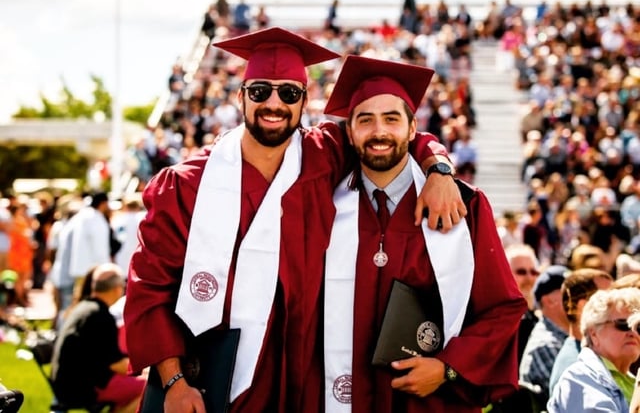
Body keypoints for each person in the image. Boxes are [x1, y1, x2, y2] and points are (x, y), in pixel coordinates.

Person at [124, 27, 467, 413]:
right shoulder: (187, 186)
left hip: (297, 379)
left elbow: (387, 136)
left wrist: (437, 168)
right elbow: (148, 291)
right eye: (259, 92)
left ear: (304, 101)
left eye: (288, 93)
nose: (274, 104)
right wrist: (174, 382)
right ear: (240, 97)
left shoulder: (322, 158)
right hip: (204, 385)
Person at [322, 54, 527, 412]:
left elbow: (502, 308)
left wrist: (449, 368)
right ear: (350, 133)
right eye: (365, 120)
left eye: (391, 119)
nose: (379, 131)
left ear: (413, 129)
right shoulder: (325, 206)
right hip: (342, 397)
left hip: (429, 403)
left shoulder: (465, 207)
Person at [51, 263, 146, 413]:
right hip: (84, 388)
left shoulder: (83, 308)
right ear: (117, 289)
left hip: (65, 385)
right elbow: (116, 364)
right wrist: (147, 370)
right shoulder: (100, 316)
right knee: (149, 387)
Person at [547, 287, 640, 412]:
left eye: (638, 327)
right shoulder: (579, 378)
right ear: (594, 334)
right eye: (624, 324)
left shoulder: (631, 380)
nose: (633, 332)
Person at [548, 268, 613, 395]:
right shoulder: (575, 368)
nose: (617, 306)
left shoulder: (589, 356)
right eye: (607, 301)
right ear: (583, 306)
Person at [519, 265, 571, 405]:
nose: (578, 298)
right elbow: (572, 401)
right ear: (549, 301)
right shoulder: (545, 344)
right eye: (569, 291)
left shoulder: (566, 338)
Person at [504, 244, 540, 364]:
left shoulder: (534, 315)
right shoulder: (502, 317)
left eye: (533, 272)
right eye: (521, 272)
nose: (529, 278)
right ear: (505, 274)